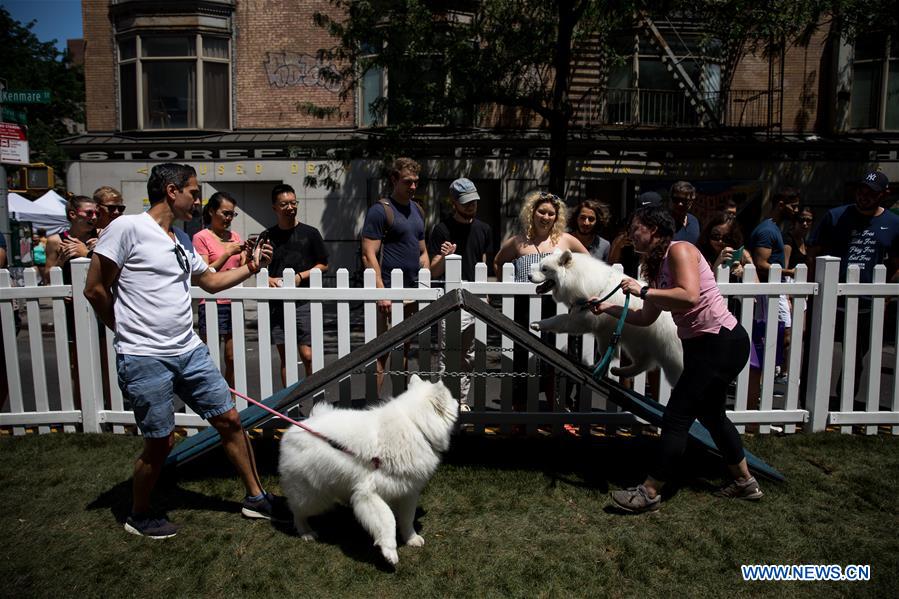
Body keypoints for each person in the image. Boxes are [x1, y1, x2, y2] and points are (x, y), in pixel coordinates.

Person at [84, 163, 289, 539]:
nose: (198, 200)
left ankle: (256, 498)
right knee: (160, 440)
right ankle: (139, 513)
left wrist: (252, 267)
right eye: (194, 192)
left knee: (229, 420)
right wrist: (124, 329)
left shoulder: (179, 239)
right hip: (144, 356)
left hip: (189, 350)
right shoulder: (128, 228)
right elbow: (95, 288)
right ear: (171, 190)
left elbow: (210, 281)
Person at [589, 204, 761, 514]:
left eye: (635, 228)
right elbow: (645, 317)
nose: (631, 235)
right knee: (712, 416)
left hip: (720, 341)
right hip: (704, 346)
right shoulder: (655, 268)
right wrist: (608, 310)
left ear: (653, 230)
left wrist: (642, 290)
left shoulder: (680, 250)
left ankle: (649, 492)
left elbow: (689, 296)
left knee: (677, 417)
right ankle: (744, 482)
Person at [493, 191, 587, 411]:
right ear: (532, 213)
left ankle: (561, 405)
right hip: (523, 310)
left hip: (557, 308)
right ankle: (520, 407)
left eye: (551, 213)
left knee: (559, 358)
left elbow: (586, 262)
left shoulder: (566, 240)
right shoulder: (517, 242)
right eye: (541, 212)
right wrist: (507, 288)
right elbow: (498, 262)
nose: (546, 217)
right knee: (522, 357)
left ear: (557, 217)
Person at [808, 171, 899, 398]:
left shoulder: (893, 223)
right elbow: (813, 252)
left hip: (869, 302)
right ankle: (810, 397)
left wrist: (886, 295)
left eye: (871, 193)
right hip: (832, 297)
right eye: (861, 190)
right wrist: (813, 289)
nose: (864, 196)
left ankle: (844, 399)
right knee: (818, 349)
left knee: (857, 354)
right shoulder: (836, 216)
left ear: (884, 194)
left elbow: (897, 264)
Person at [360, 157, 429, 394]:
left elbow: (422, 251)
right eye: (407, 182)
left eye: (416, 182)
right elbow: (368, 253)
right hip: (388, 293)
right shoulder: (381, 211)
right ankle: (372, 406)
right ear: (394, 179)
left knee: (404, 351)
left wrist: (425, 282)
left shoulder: (417, 209)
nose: (412, 187)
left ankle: (398, 404)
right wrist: (381, 292)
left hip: (410, 293)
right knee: (381, 353)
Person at [428, 177, 493, 410]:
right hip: (450, 297)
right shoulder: (442, 229)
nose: (471, 206)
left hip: (475, 296)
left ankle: (461, 401)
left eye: (474, 201)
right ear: (454, 202)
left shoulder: (484, 229)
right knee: (447, 352)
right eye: (465, 202)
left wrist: (485, 293)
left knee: (469, 354)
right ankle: (444, 403)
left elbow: (483, 263)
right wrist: (445, 257)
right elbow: (432, 271)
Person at [263, 183, 329, 383]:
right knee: (286, 359)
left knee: (308, 355)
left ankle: (316, 397)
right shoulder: (267, 236)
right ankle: (290, 406)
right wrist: (268, 279)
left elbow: (323, 264)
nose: (290, 208)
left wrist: (301, 276)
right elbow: (257, 267)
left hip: (304, 301)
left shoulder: (310, 233)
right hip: (277, 304)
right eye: (284, 204)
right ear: (275, 207)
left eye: (293, 203)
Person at [748, 187, 799, 395]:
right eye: (793, 206)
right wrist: (790, 272)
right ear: (780, 204)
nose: (796, 210)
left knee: (782, 335)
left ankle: (767, 377)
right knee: (774, 337)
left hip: (777, 290)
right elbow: (761, 263)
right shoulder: (767, 231)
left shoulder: (775, 228)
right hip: (768, 292)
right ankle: (761, 382)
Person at [192, 191, 246, 387]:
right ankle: (212, 392)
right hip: (212, 302)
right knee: (211, 355)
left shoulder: (235, 236)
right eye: (225, 213)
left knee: (232, 357)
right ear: (212, 212)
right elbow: (205, 271)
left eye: (232, 214)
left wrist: (247, 255)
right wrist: (227, 253)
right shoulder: (201, 237)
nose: (229, 218)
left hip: (234, 300)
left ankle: (231, 393)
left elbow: (241, 267)